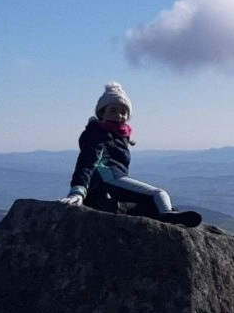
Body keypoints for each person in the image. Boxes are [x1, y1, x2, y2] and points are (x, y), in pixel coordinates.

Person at [59, 82, 201, 227]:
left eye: (123, 112)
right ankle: (168, 216)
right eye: (113, 110)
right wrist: (78, 190)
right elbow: (87, 161)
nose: (119, 115)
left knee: (146, 205)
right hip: (108, 179)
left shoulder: (116, 134)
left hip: (106, 183)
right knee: (159, 194)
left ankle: (108, 204)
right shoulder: (97, 133)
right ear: (102, 112)